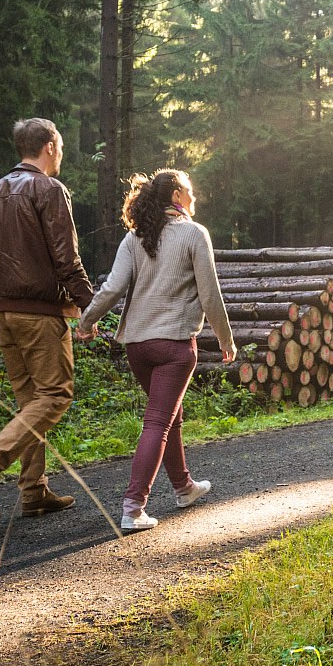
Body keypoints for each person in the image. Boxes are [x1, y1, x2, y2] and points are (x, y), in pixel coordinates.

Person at [78, 169, 236, 533]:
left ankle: (183, 487)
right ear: (177, 195)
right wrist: (226, 339)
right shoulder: (194, 233)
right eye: (190, 191)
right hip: (174, 347)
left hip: (137, 347)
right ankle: (133, 508)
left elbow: (112, 288)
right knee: (158, 422)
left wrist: (87, 321)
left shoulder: (135, 236)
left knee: (168, 415)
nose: (194, 198)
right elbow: (210, 293)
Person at [0, 118, 95, 523]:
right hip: (39, 313)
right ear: (49, 146)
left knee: (31, 402)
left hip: (3, 314)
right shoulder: (49, 189)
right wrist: (90, 307)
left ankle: (33, 492)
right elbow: (66, 257)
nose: (61, 154)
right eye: (61, 147)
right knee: (55, 395)